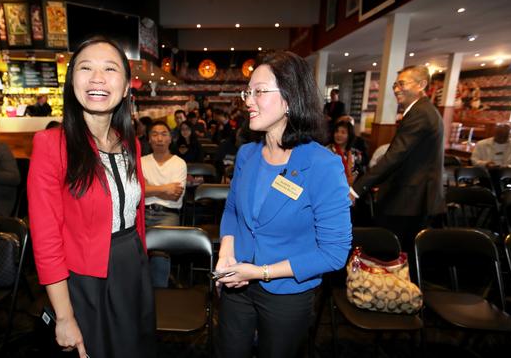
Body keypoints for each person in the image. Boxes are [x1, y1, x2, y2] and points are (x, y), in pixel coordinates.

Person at [214, 50, 352, 358]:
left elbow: (333, 253)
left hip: (287, 292)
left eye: (259, 92)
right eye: (247, 92)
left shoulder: (322, 165)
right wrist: (226, 253)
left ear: (290, 99)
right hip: (238, 280)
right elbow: (233, 211)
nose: (248, 100)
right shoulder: (247, 155)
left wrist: (260, 272)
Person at [27, 36, 155, 358]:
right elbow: (46, 239)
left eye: (110, 69)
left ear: (126, 87)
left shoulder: (130, 143)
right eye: (86, 68)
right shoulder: (51, 144)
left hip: (133, 266)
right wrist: (65, 316)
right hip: (85, 278)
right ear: (72, 82)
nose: (97, 78)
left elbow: (136, 215)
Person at [352, 65, 445, 257]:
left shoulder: (420, 113)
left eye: (402, 84)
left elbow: (395, 156)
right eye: (395, 84)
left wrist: (357, 188)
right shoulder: (422, 110)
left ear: (421, 84)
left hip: (410, 200)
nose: (396, 89)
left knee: (393, 257)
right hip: (412, 198)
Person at [142, 121, 186, 287]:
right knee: (132, 251)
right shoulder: (141, 161)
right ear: (149, 139)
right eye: (154, 134)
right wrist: (164, 188)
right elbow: (138, 192)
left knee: (160, 253)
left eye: (164, 134)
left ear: (170, 139)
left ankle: (160, 296)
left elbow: (175, 196)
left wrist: (149, 188)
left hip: (168, 214)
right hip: (142, 212)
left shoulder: (179, 163)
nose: (159, 138)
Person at [327, 121, 364, 186]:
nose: (339, 135)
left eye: (343, 132)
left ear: (349, 135)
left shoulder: (356, 154)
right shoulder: (327, 151)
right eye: (336, 131)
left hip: (350, 188)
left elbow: (359, 172)